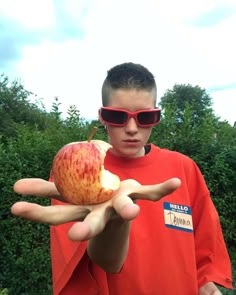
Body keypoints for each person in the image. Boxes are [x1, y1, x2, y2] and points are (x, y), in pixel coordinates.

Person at [12, 62, 233, 295]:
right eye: (117, 116)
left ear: (157, 116)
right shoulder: (72, 176)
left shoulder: (184, 168)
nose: (131, 128)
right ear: (102, 116)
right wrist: (115, 224)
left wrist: (207, 286)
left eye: (145, 116)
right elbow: (98, 263)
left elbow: (205, 250)